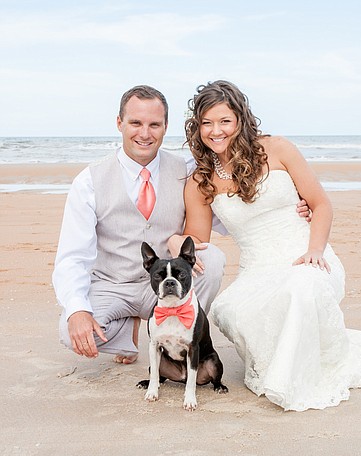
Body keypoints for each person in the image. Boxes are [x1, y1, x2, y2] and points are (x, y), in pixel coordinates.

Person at [172, 80, 361, 411]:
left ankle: (290, 381)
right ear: (197, 126)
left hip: (306, 254)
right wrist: (176, 239)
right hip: (258, 269)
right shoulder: (200, 180)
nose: (215, 130)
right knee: (231, 310)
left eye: (225, 121)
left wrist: (315, 250)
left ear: (241, 119)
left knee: (301, 286)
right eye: (206, 122)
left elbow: (320, 204)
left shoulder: (278, 149)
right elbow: (197, 240)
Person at [52, 84, 312, 365]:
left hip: (170, 282)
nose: (144, 133)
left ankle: (179, 335)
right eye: (136, 123)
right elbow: (72, 256)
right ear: (119, 123)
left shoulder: (187, 171)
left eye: (154, 124)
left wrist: (291, 204)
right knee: (73, 333)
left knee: (210, 258)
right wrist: (77, 310)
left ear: (165, 127)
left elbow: (230, 211)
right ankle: (128, 333)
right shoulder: (90, 180)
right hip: (113, 285)